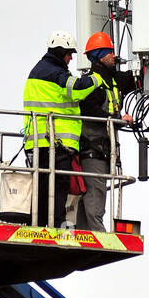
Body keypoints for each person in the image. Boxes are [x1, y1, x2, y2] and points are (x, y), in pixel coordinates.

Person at [23, 31, 100, 227]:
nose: (71, 58)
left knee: (43, 186)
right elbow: (78, 88)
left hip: (39, 141)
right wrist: (98, 78)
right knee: (58, 186)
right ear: (60, 52)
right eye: (69, 54)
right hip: (54, 142)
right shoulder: (55, 72)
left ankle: (40, 224)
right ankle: (55, 225)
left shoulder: (39, 70)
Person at [74, 32, 137, 231]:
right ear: (100, 55)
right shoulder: (91, 83)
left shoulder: (113, 80)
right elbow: (89, 111)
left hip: (104, 150)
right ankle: (96, 232)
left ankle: (85, 230)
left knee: (94, 192)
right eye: (110, 52)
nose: (114, 55)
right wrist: (118, 120)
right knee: (95, 192)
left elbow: (137, 79)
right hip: (92, 150)